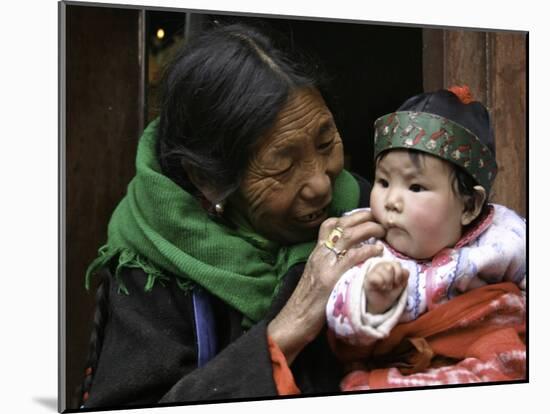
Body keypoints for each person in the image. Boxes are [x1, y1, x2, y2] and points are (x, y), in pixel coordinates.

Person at [77, 23, 385, 409]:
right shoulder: (152, 267)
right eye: (283, 167)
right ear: (208, 180)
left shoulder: (367, 209)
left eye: (326, 143)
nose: (321, 184)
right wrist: (289, 326)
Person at [325, 86, 526, 389]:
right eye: (383, 181)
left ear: (469, 206)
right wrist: (372, 298)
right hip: (394, 369)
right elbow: (339, 317)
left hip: (485, 355)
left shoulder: (504, 236)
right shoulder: (366, 242)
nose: (391, 200)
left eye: (415, 187)